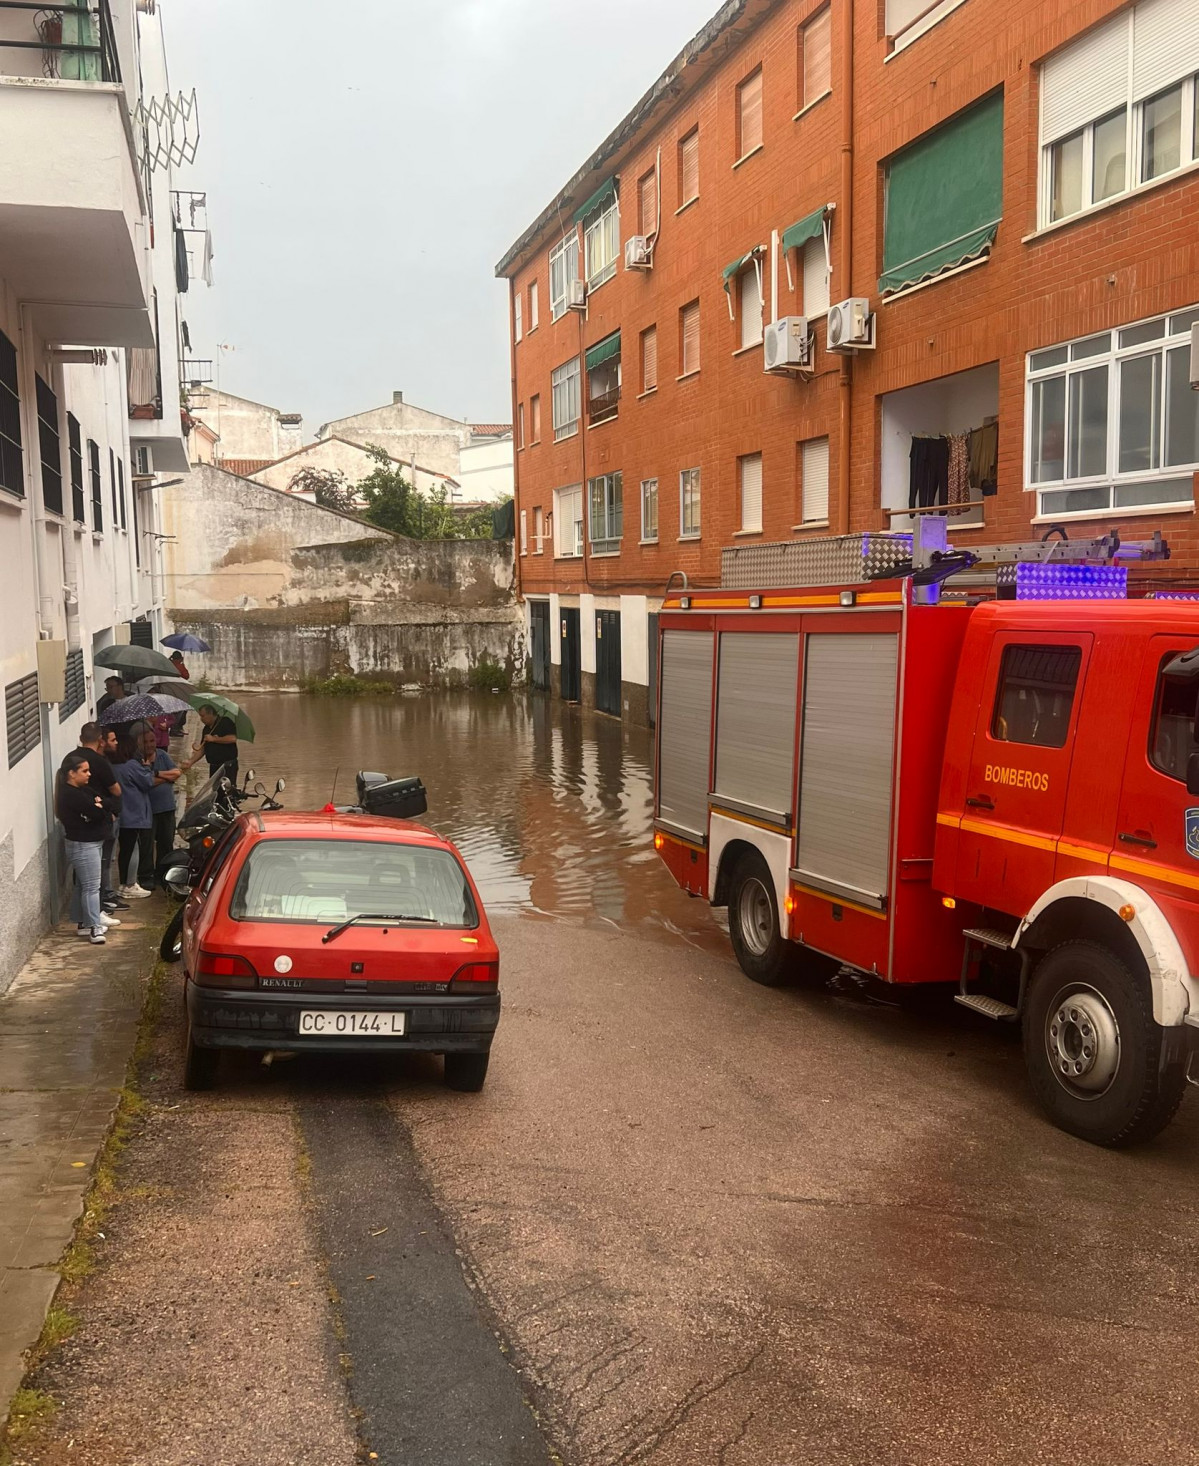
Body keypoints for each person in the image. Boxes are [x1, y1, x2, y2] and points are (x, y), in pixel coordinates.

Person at [56, 752, 118, 944]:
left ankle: (82, 922)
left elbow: (105, 802)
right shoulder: (70, 795)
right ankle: (94, 927)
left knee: (82, 885)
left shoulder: (84, 790)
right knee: (92, 887)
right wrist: (100, 810)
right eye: (84, 771)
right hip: (83, 845)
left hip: (92, 841)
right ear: (71, 773)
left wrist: (100, 807)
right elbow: (96, 813)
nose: (89, 774)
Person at [76, 722, 127, 913]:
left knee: (86, 867)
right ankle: (104, 899)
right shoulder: (98, 761)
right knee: (104, 861)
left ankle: (93, 906)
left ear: (81, 738)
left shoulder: (70, 759)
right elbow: (116, 789)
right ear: (100, 741)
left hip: (78, 817)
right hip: (103, 816)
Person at [112, 731, 156, 899]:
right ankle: (128, 883)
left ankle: (126, 882)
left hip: (123, 813)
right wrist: (147, 766)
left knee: (125, 850)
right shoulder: (131, 765)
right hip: (134, 814)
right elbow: (148, 782)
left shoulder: (114, 766)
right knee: (132, 850)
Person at [140, 723, 181, 887]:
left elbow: (177, 773)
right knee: (147, 845)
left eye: (152, 740)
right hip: (148, 809)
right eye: (146, 742)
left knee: (166, 842)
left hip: (167, 807)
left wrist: (156, 773)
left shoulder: (162, 755)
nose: (150, 744)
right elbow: (145, 782)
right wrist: (166, 777)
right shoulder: (138, 759)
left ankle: (164, 874)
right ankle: (146, 876)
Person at [185, 703, 239, 787]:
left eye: (203, 716)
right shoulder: (206, 729)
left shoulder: (225, 722)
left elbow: (232, 738)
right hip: (214, 766)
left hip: (227, 766)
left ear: (210, 714)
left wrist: (214, 739)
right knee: (214, 792)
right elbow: (202, 749)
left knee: (227, 792)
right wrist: (191, 762)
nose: (201, 719)